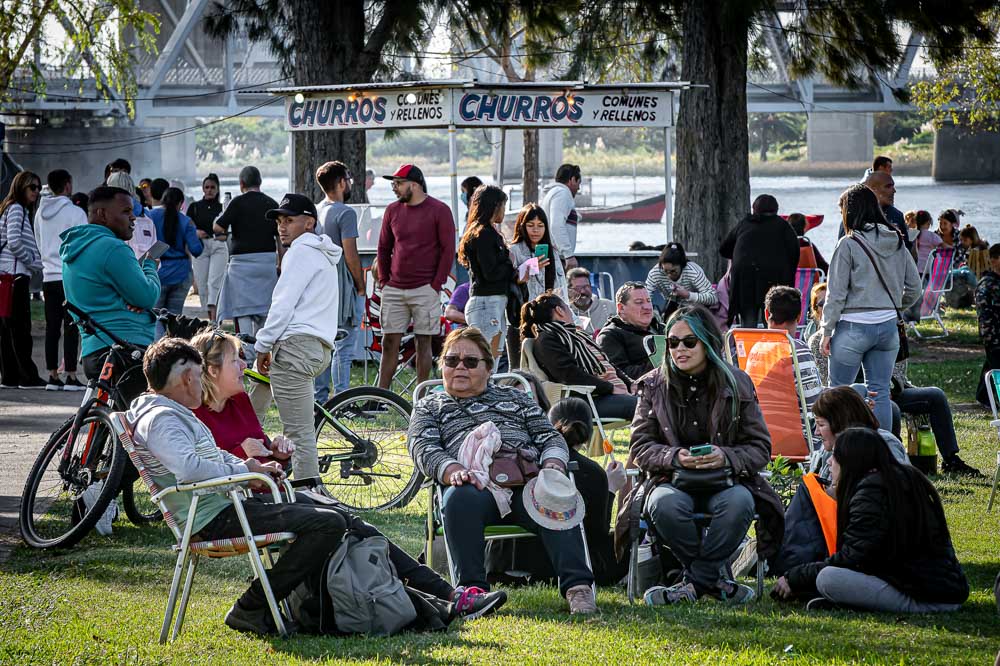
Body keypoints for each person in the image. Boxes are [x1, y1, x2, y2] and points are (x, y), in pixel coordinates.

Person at [188, 329, 506, 621]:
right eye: (236, 360)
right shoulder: (194, 417)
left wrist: (279, 453)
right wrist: (243, 451)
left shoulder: (240, 402)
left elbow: (269, 466)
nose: (245, 365)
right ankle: (254, 606)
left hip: (268, 498)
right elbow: (211, 468)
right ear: (212, 370)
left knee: (354, 526)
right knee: (336, 524)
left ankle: (442, 598)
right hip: (233, 508)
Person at [407, 326, 598, 615]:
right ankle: (473, 592)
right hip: (473, 484)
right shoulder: (430, 406)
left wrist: (553, 464)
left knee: (555, 493)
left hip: (525, 481)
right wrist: (452, 469)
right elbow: (422, 446)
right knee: (459, 498)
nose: (459, 367)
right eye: (451, 360)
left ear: (488, 368)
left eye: (470, 362)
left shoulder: (517, 399)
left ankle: (578, 589)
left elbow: (549, 436)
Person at [630, 305, 782, 605]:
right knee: (664, 504)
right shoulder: (653, 385)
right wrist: (675, 457)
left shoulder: (737, 383)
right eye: (672, 342)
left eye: (689, 342)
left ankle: (692, 583)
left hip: (726, 480)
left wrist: (724, 456)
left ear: (708, 342)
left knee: (740, 503)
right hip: (671, 479)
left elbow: (760, 447)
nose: (679, 350)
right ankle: (715, 582)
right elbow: (639, 445)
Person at [774, 428, 968, 613]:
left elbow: (852, 558)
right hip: (938, 587)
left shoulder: (871, 492)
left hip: (923, 596)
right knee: (829, 577)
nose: (830, 462)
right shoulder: (901, 478)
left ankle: (853, 602)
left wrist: (796, 577)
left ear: (851, 460)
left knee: (828, 578)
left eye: (836, 456)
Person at [770, 387, 908, 575]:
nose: (817, 433)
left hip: (869, 540)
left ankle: (786, 561)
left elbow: (891, 494)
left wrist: (839, 493)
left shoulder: (883, 443)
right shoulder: (827, 451)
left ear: (839, 421)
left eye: (821, 424)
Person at [253, 194, 340, 482]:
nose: (282, 226)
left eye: (289, 220)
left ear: (309, 222)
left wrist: (262, 344)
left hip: (295, 348)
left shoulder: (300, 252)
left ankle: (308, 494)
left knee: (299, 433)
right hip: (317, 347)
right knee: (262, 403)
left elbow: (282, 304)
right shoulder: (320, 252)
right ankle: (254, 465)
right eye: (279, 221)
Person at [820, 184, 921, 431]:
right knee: (880, 392)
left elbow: (835, 294)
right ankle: (884, 447)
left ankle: (840, 452)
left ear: (850, 212)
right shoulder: (897, 240)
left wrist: (826, 330)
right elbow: (915, 288)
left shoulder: (849, 243)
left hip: (853, 327)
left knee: (838, 394)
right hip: (888, 328)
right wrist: (895, 306)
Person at [60, 186, 160, 400]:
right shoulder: (114, 248)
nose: (133, 217)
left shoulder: (75, 248)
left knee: (116, 425)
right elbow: (147, 296)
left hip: (93, 351)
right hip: (125, 350)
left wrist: (129, 301)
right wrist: (150, 265)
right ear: (102, 214)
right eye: (125, 211)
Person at [376, 164, 454, 390]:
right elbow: (383, 247)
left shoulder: (439, 210)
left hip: (425, 289)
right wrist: (384, 281)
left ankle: (423, 394)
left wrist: (435, 285)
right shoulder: (392, 210)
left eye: (398, 183)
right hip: (394, 288)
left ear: (414, 184)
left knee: (424, 341)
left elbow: (448, 250)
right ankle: (380, 396)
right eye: (393, 184)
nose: (394, 188)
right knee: (389, 341)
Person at [520, 292, 637, 420]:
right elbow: (570, 375)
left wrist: (630, 383)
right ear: (559, 310)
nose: (571, 312)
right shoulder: (547, 340)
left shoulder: (577, 336)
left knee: (658, 397)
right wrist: (611, 388)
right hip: (589, 400)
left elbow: (606, 364)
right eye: (568, 307)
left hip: (610, 394)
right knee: (646, 407)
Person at [312, 161, 365, 403]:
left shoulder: (317, 210)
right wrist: (360, 284)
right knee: (344, 344)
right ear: (341, 182)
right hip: (342, 280)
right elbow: (350, 253)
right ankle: (343, 399)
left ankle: (321, 398)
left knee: (324, 342)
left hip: (321, 282)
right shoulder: (345, 212)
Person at [214, 166, 280, 354]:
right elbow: (280, 241)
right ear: (260, 182)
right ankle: (263, 356)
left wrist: (224, 214)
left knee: (242, 314)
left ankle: (247, 357)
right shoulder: (272, 203)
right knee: (265, 316)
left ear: (241, 183)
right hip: (267, 264)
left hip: (241, 267)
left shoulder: (236, 203)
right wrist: (280, 264)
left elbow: (218, 228)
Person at [34, 169, 86, 391]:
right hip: (69, 274)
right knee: (71, 325)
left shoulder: (39, 213)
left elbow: (38, 241)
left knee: (52, 327)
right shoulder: (76, 213)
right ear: (67, 185)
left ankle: (52, 375)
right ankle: (72, 375)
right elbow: (83, 243)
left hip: (48, 275)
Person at [719, 194, 799, 328]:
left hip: (745, 282)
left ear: (754, 208)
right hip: (774, 282)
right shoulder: (783, 226)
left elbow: (724, 249)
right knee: (773, 321)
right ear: (776, 209)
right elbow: (794, 253)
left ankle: (749, 348)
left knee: (748, 323)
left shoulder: (745, 224)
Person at [892, 359, 981, 476]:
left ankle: (951, 460)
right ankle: (895, 461)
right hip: (873, 392)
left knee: (936, 396)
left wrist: (900, 387)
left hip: (896, 390)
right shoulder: (874, 340)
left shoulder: (899, 341)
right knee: (892, 409)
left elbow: (898, 376)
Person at [756, 286, 823, 439]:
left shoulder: (753, 348)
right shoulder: (797, 350)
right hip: (800, 439)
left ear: (766, 314)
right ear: (799, 317)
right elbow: (815, 406)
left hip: (762, 437)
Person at [0, 170, 46, 389]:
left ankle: (10, 375)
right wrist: (33, 262)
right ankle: (27, 376)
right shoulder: (17, 209)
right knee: (20, 328)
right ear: (21, 187)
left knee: (7, 328)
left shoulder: (9, 208)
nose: (36, 192)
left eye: (38, 187)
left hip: (7, 276)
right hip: (15, 275)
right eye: (32, 187)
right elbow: (14, 241)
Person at [458, 185, 515, 361]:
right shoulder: (483, 235)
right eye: (503, 206)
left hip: (492, 304)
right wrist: (510, 264)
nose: (504, 211)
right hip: (486, 305)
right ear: (494, 206)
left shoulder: (488, 233)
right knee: (487, 360)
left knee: (493, 358)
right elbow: (490, 272)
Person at [149, 186, 203, 338]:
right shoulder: (186, 222)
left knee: (155, 317)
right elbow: (197, 250)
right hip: (180, 272)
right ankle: (172, 348)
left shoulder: (151, 216)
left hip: (157, 272)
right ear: (181, 203)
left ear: (163, 201)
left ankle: (156, 349)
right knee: (174, 317)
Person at [596, 282, 664, 384]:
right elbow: (620, 375)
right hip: (642, 393)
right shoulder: (610, 336)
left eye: (648, 301)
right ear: (621, 308)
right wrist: (661, 362)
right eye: (639, 302)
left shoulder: (663, 328)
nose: (647, 307)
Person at [187, 173, 228, 322]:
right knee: (202, 284)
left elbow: (227, 231)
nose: (209, 190)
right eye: (207, 187)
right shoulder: (195, 207)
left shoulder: (223, 208)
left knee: (215, 282)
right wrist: (196, 232)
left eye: (212, 187)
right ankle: (208, 317)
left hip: (217, 244)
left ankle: (215, 318)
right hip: (200, 246)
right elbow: (187, 227)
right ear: (202, 189)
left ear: (217, 189)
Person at [508, 203, 567, 303]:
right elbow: (508, 283)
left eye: (540, 226)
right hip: (525, 312)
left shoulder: (552, 252)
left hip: (549, 312)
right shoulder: (514, 251)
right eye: (530, 225)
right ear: (522, 227)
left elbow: (561, 288)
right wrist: (527, 269)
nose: (536, 230)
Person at [644, 241, 718, 318]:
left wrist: (687, 294)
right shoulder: (655, 273)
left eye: (673, 271)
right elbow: (645, 295)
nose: (669, 275)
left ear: (682, 265)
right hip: (673, 307)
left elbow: (713, 298)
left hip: (696, 309)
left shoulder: (693, 272)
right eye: (665, 271)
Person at [541, 163, 582, 270]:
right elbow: (556, 225)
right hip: (557, 258)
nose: (579, 188)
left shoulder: (554, 193)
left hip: (553, 256)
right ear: (572, 179)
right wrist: (568, 255)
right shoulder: (562, 194)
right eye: (578, 183)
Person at [975, 244, 1000, 408]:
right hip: (994, 336)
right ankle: (987, 398)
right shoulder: (987, 284)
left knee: (992, 366)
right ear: (994, 260)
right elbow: (985, 316)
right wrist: (991, 339)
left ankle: (983, 396)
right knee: (996, 365)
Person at [863, 171, 910, 249]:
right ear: (873, 189)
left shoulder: (897, 215)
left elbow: (906, 250)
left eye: (893, 186)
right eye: (888, 186)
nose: (894, 191)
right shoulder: (856, 216)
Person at [565, 267, 615, 335]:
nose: (582, 291)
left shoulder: (610, 307)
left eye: (586, 286)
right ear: (569, 290)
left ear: (591, 287)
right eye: (577, 288)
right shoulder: (565, 311)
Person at [805, 282, 828, 382]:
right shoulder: (813, 335)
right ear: (815, 308)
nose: (827, 307)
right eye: (822, 304)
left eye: (830, 302)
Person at [912, 210, 942, 275]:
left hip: (914, 268)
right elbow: (943, 245)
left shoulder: (912, 234)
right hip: (929, 269)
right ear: (928, 222)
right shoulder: (931, 236)